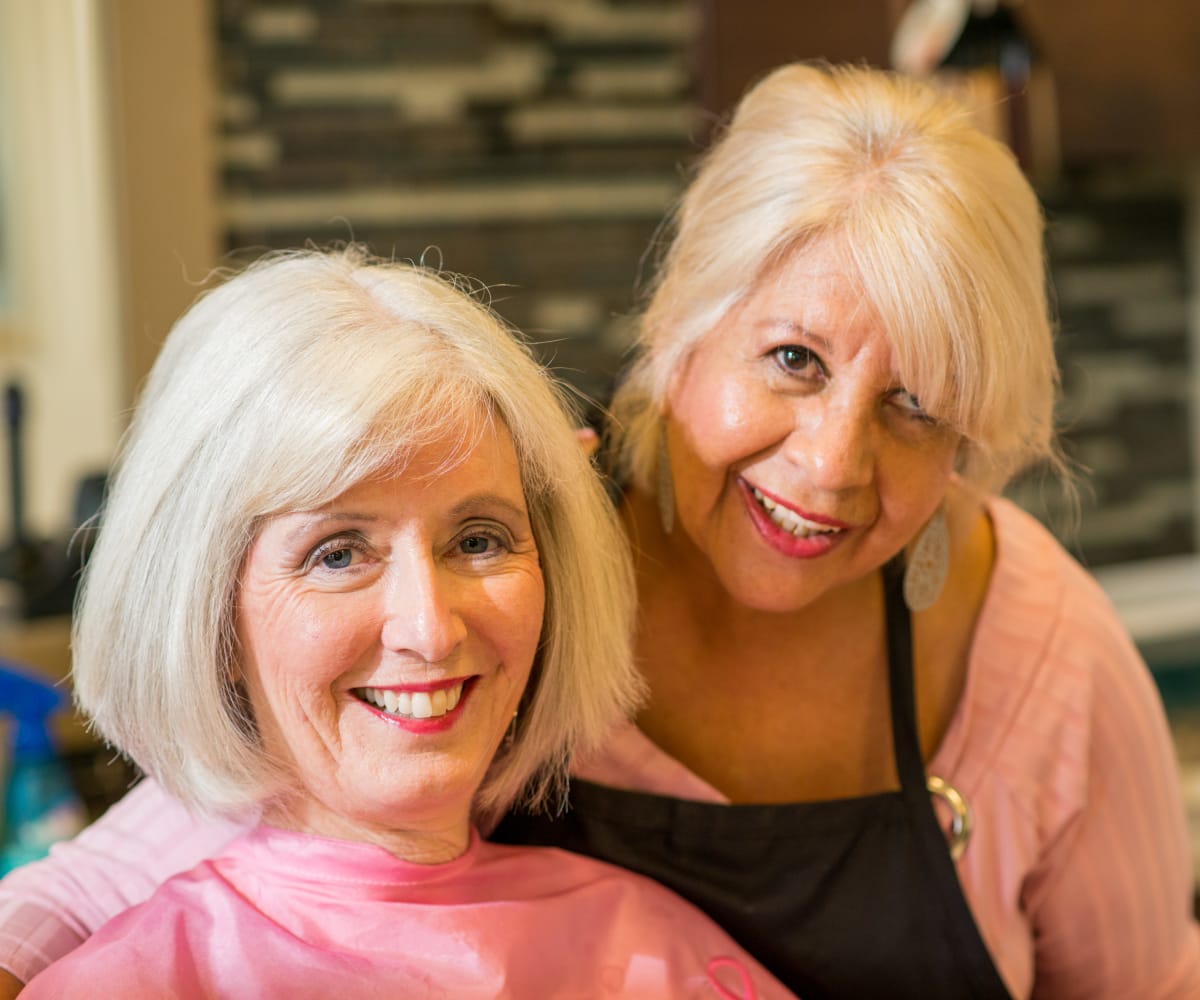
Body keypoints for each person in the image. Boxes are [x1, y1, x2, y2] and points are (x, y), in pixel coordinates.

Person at [1, 62, 1197, 999]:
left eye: (915, 404)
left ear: (968, 444)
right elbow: (157, 854)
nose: (833, 461)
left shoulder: (1047, 655)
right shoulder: (508, 566)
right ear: (681, 319)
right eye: (791, 359)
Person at [8, 248, 790, 998]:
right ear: (210, 618)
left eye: (478, 540)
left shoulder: (654, 948)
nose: (431, 627)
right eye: (339, 554)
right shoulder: (140, 981)